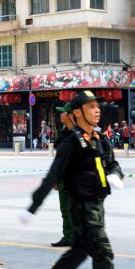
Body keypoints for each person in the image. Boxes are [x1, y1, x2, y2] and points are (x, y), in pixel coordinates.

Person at [20, 90, 135, 269]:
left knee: (78, 253)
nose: (97, 110)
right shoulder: (70, 143)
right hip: (81, 210)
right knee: (104, 255)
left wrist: (114, 175)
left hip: (97, 206)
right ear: (77, 112)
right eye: (91, 106)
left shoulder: (99, 136)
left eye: (97, 106)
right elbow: (52, 176)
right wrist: (32, 208)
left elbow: (113, 162)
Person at [50, 102, 75, 248]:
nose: (60, 114)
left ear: (70, 115)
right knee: (65, 209)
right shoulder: (64, 132)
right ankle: (68, 236)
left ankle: (76, 237)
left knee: (74, 210)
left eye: (63, 112)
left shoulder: (78, 134)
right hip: (63, 178)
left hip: (74, 179)